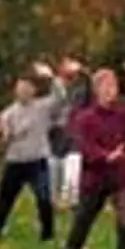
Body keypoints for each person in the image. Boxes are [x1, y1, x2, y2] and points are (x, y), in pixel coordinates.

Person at [56, 62, 125, 249]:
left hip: (122, 177)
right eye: (106, 86)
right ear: (97, 90)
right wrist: (106, 156)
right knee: (84, 218)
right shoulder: (86, 118)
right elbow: (85, 145)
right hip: (96, 178)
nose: (111, 90)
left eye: (114, 85)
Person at [0, 63, 65, 242]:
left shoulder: (43, 107)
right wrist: (1, 137)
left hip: (37, 161)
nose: (23, 91)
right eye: (20, 87)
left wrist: (51, 76)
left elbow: (61, 96)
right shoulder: (8, 114)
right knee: (4, 199)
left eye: (27, 88)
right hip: (15, 162)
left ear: (34, 91)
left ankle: (48, 234)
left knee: (44, 198)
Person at [46, 57, 89, 216]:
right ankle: (52, 203)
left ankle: (73, 202)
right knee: (54, 169)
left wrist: (82, 71)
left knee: (73, 167)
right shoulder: (53, 87)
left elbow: (90, 86)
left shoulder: (80, 89)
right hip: (55, 134)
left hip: (74, 134)